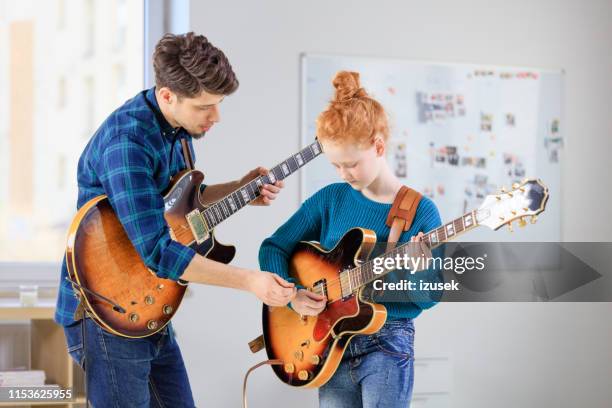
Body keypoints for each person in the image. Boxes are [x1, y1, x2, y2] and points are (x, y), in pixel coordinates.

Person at [55, 32, 295, 407]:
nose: (216, 116)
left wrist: (240, 189)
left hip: (150, 303)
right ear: (168, 95)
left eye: (217, 104)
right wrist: (250, 280)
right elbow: (159, 252)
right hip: (106, 313)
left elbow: (177, 205)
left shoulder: (179, 129)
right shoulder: (127, 143)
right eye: (205, 106)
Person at [259, 71, 442, 407]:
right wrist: (291, 295)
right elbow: (273, 247)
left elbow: (430, 296)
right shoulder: (331, 199)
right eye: (335, 166)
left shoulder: (421, 212)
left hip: (388, 342)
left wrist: (420, 269)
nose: (343, 174)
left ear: (379, 146)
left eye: (351, 164)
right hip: (330, 342)